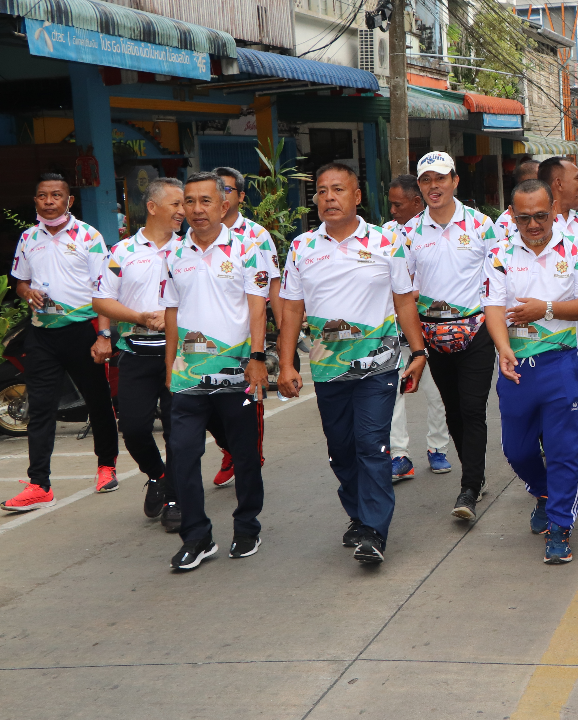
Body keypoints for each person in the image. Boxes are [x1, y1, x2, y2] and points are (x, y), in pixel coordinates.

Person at [276, 163, 428, 565]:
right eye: (322, 191)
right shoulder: (302, 247)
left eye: (338, 189)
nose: (329, 197)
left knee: (372, 444)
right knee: (341, 451)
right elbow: (292, 308)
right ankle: (359, 515)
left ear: (356, 196)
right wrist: (287, 363)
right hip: (327, 369)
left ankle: (375, 531)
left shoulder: (384, 241)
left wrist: (418, 352)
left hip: (378, 365)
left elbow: (404, 300)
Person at [161, 172, 274, 570]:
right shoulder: (174, 255)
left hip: (237, 375)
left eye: (205, 200)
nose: (196, 209)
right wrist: (169, 367)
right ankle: (197, 536)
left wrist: (258, 358)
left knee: (244, 455)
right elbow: (172, 314)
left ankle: (247, 527)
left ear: (223, 205)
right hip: (188, 377)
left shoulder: (247, 248)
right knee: (183, 454)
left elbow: (258, 307)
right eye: (188, 201)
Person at [485, 180, 578, 564]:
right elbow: (494, 308)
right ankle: (545, 492)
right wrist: (503, 348)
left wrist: (546, 309)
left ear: (553, 210)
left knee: (563, 449)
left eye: (540, 215)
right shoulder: (500, 252)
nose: (533, 224)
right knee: (516, 450)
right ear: (512, 216)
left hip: (561, 361)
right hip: (516, 364)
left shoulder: (576, 248)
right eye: (524, 217)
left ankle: (560, 529)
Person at [1, 174, 120, 513]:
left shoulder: (89, 236)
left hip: (83, 331)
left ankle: (106, 466)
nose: (49, 201)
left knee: (97, 401)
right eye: (42, 195)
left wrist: (104, 335)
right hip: (42, 335)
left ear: (69, 201)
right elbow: (20, 281)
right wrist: (27, 293)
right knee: (39, 408)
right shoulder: (28, 238)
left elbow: (105, 289)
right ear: (35, 200)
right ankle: (39, 484)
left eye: (56, 195)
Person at [408, 151, 504, 521]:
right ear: (420, 186)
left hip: (475, 330)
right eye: (426, 180)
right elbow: (406, 287)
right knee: (453, 412)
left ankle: (469, 488)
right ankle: (474, 474)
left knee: (471, 408)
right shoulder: (410, 232)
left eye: (441, 178)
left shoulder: (481, 226)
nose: (434, 186)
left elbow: (498, 277)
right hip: (433, 337)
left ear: (455, 182)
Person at [92, 177, 184, 531]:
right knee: (133, 429)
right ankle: (157, 475)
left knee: (178, 432)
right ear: (152, 207)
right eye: (176, 204)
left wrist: (174, 316)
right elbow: (102, 299)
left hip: (180, 356)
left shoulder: (188, 249)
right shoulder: (121, 254)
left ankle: (175, 498)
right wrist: (139, 317)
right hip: (135, 354)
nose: (183, 211)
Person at [208, 166, 278, 489]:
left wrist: (284, 341)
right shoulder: (196, 233)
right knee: (205, 404)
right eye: (215, 188)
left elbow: (273, 287)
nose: (221, 194)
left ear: (241, 197)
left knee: (248, 401)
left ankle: (249, 454)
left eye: (227, 188)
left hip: (247, 332)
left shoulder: (256, 236)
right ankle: (230, 448)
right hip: (207, 337)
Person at [383, 174, 452, 478]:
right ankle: (399, 456)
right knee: (393, 393)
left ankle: (437, 448)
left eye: (398, 205)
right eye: (390, 205)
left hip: (430, 328)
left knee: (437, 393)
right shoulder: (382, 235)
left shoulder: (437, 232)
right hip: (393, 329)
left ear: (415, 202)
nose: (393, 211)